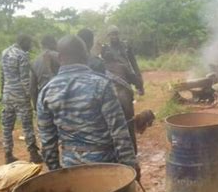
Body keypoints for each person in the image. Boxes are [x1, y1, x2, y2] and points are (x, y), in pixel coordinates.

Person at [37, 35, 139, 180]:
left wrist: (57, 174)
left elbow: (47, 142)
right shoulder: (102, 85)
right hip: (106, 168)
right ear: (86, 56)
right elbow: (119, 132)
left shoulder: (46, 92)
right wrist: (131, 166)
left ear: (59, 58)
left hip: (71, 169)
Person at [0, 34, 43, 164]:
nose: (30, 46)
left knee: (7, 126)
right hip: (20, 95)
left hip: (7, 94)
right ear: (23, 42)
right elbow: (25, 79)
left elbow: (2, 75)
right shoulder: (22, 55)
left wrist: (2, 92)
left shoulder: (4, 53)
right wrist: (30, 96)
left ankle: (8, 154)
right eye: (29, 43)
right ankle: (33, 154)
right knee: (27, 125)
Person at [101, 25, 144, 154]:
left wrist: (140, 84)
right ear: (108, 36)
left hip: (125, 83)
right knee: (120, 121)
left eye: (116, 34)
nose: (114, 36)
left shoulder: (125, 47)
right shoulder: (105, 51)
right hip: (118, 88)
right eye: (111, 34)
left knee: (127, 121)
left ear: (118, 34)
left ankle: (131, 150)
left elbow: (134, 65)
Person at [30, 35, 60, 109]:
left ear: (42, 46)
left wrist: (35, 105)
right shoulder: (60, 57)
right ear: (54, 44)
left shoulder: (35, 62)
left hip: (44, 98)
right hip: (60, 96)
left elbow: (32, 88)